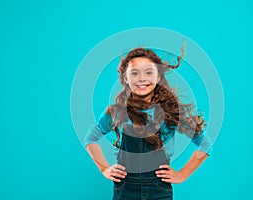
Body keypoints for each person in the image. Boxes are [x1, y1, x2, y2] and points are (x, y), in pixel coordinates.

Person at [83, 46, 213, 200]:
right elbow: (90, 138)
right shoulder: (116, 112)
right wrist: (104, 168)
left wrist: (182, 174)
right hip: (125, 190)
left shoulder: (170, 112)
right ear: (125, 78)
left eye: (149, 72)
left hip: (159, 190)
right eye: (135, 73)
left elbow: (205, 143)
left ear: (158, 77)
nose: (142, 79)